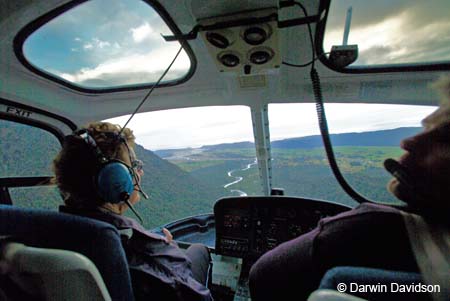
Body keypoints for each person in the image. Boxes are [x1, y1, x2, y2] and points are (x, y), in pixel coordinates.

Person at [249, 77, 450, 301]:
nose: (409, 141)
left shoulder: (371, 228)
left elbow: (262, 275)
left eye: (445, 137)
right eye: (427, 127)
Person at [52, 121, 213, 301]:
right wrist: (168, 252)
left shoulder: (50, 233)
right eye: (134, 165)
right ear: (115, 179)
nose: (139, 172)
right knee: (199, 250)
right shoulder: (151, 256)